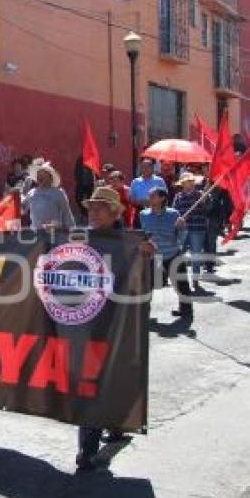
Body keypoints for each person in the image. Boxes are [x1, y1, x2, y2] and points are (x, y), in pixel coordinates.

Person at [76, 187, 156, 471]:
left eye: (99, 208)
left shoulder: (132, 239)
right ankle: (87, 449)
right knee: (91, 382)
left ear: (113, 212)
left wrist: (147, 257)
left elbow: (148, 280)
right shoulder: (81, 236)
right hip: (89, 322)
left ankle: (117, 426)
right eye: (91, 207)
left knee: (117, 376)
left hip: (121, 321)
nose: (93, 212)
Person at [140, 188, 192, 320]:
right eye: (149, 195)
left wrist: (182, 227)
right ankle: (143, 313)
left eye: (152, 195)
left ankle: (186, 310)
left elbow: (182, 235)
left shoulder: (174, 214)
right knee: (146, 286)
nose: (149, 197)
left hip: (173, 254)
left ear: (162, 198)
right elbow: (140, 234)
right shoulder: (143, 215)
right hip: (153, 257)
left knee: (181, 284)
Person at [172, 173, 208, 289]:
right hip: (183, 230)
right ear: (182, 184)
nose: (189, 184)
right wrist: (177, 219)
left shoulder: (201, 195)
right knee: (179, 255)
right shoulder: (178, 196)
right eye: (186, 182)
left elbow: (208, 209)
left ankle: (195, 279)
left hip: (197, 228)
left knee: (196, 255)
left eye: (190, 181)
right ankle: (181, 280)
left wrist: (205, 201)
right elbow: (174, 212)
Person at [23, 159, 75, 231]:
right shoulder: (31, 193)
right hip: (36, 235)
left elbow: (66, 214)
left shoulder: (58, 193)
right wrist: (16, 196)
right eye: (38, 175)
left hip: (55, 235)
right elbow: (22, 210)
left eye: (43, 174)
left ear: (50, 178)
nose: (40, 177)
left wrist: (70, 231)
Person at [129, 159, 167, 225]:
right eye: (143, 167)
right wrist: (140, 202)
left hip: (156, 210)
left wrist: (152, 202)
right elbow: (131, 199)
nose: (145, 169)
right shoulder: (135, 182)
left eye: (148, 166)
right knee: (139, 233)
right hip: (140, 210)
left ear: (152, 168)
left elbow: (165, 196)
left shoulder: (159, 181)